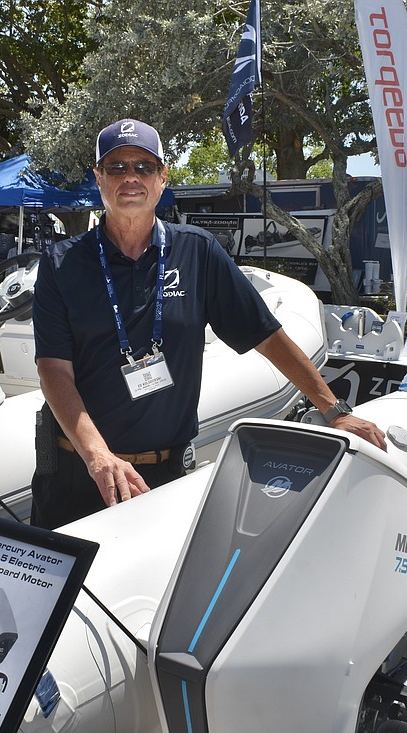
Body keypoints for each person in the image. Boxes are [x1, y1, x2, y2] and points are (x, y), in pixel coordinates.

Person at [29, 118, 386, 529]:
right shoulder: (62, 263)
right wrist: (98, 456)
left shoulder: (196, 251)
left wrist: (335, 408)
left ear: (163, 177)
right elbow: (54, 370)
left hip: (161, 479)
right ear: (99, 178)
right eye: (117, 167)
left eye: (144, 167)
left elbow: (265, 334)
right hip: (78, 473)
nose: (131, 178)